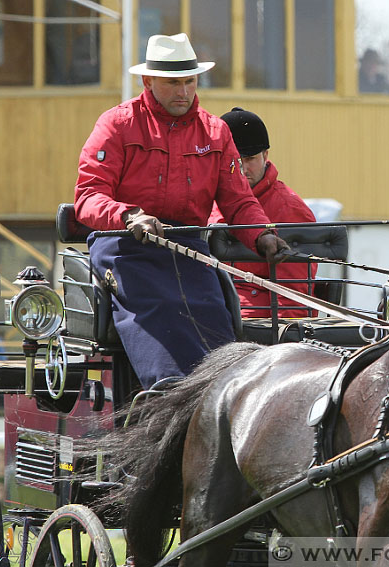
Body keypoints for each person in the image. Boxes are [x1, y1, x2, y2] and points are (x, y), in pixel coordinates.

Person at [74, 33, 288, 389]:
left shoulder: (216, 132)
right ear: (148, 81)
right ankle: (166, 392)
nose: (183, 91)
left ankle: (219, 392)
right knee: (158, 307)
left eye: (189, 81)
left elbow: (238, 201)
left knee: (210, 312)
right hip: (125, 247)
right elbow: (88, 196)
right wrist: (128, 216)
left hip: (188, 248)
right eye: (173, 82)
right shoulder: (116, 124)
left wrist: (262, 235)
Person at [209, 107, 317, 318]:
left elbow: (293, 300)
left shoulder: (289, 210)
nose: (241, 168)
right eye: (233, 159)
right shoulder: (207, 198)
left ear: (265, 156)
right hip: (212, 308)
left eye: (249, 159)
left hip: (252, 321)